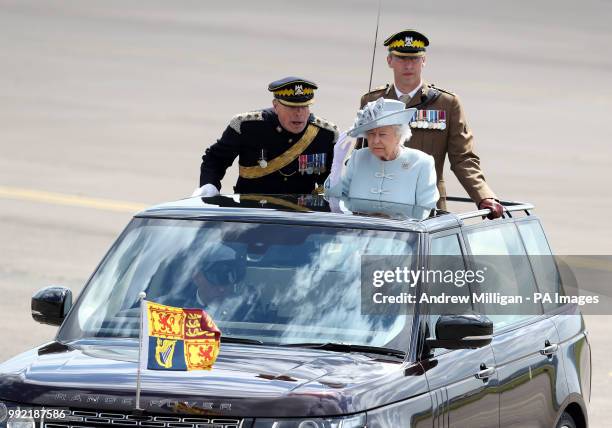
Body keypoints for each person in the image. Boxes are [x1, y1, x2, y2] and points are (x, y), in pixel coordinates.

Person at [359, 29, 503, 218]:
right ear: (389, 61)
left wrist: (484, 196)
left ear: (424, 61)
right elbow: (360, 155)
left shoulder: (446, 103)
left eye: (415, 59)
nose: (408, 65)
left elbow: (463, 158)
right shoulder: (373, 101)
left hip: (426, 205)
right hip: (379, 203)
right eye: (401, 58)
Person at [194, 77, 338, 197]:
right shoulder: (247, 126)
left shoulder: (325, 135)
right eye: (292, 107)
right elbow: (215, 159)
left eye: (304, 106)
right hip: (252, 213)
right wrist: (209, 186)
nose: (299, 114)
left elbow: (329, 180)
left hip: (300, 217)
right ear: (276, 106)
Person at [325, 98, 439, 209]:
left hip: (401, 228)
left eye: (382, 134)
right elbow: (336, 204)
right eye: (371, 134)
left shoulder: (421, 163)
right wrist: (337, 165)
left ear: (398, 136)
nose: (375, 141)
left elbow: (426, 211)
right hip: (360, 227)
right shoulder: (358, 158)